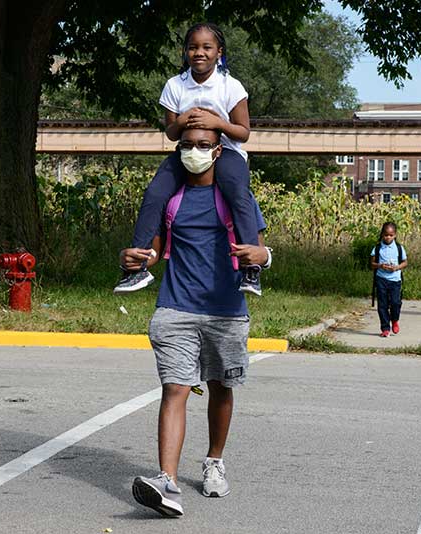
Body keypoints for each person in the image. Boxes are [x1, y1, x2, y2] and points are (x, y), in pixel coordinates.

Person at [120, 126, 270, 517]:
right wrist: (138, 259)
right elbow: (155, 249)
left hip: (226, 311)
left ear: (219, 151)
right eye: (187, 145)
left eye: (203, 146)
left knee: (220, 388)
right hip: (176, 307)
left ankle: (214, 461)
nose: (194, 152)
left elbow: (261, 248)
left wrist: (264, 258)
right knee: (175, 389)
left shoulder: (236, 198)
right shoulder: (172, 198)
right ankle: (166, 481)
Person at [114, 22, 263, 296]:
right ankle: (136, 269)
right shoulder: (175, 85)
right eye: (193, 47)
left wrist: (216, 122)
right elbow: (172, 133)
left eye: (207, 47)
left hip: (225, 151)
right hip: (185, 150)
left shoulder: (230, 86)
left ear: (219, 52)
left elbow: (243, 132)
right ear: (185, 52)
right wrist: (182, 120)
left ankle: (250, 269)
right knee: (155, 193)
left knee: (238, 194)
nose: (199, 53)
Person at [370, 222, 408, 337]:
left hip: (395, 280)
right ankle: (385, 328)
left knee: (395, 302)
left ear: (395, 235)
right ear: (382, 235)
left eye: (391, 235)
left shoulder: (399, 248)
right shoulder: (377, 248)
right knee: (382, 305)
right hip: (381, 279)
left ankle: (395, 319)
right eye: (386, 235)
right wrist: (381, 266)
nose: (388, 237)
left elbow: (405, 262)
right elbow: (372, 264)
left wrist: (396, 267)